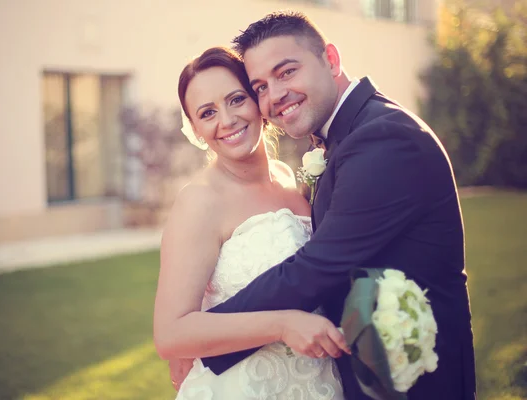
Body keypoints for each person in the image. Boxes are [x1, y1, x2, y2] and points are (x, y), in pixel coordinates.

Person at [172, 11, 477, 400]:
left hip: (416, 378)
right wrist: (196, 337)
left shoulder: (382, 138)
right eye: (260, 86)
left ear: (330, 59)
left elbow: (316, 267)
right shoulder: (348, 134)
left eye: (286, 72)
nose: (275, 95)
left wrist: (204, 337)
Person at [153, 46, 348, 399]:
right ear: (196, 130)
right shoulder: (198, 202)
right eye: (208, 112)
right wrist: (282, 325)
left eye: (236, 99)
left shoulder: (290, 178)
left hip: (315, 380)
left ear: (258, 99)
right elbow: (170, 334)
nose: (226, 120)